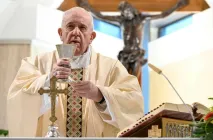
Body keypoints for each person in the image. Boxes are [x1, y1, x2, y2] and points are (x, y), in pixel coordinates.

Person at [7, 7, 144, 137]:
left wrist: (100, 95)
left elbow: (133, 103)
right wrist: (48, 79)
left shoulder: (111, 67)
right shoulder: (37, 63)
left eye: (82, 27)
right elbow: (17, 99)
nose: (76, 32)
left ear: (92, 37)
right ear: (61, 33)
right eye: (70, 26)